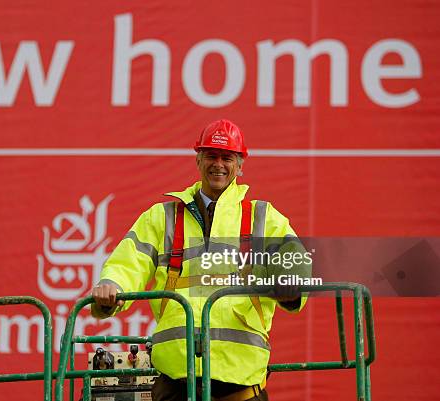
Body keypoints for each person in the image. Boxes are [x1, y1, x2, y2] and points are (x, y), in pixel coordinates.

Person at [91, 119, 309, 401]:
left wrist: (290, 284)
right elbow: (129, 260)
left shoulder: (262, 217)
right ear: (198, 160)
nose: (218, 164)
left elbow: (294, 257)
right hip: (176, 378)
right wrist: (111, 284)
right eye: (211, 156)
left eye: (227, 157)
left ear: (240, 165)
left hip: (240, 382)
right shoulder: (163, 217)